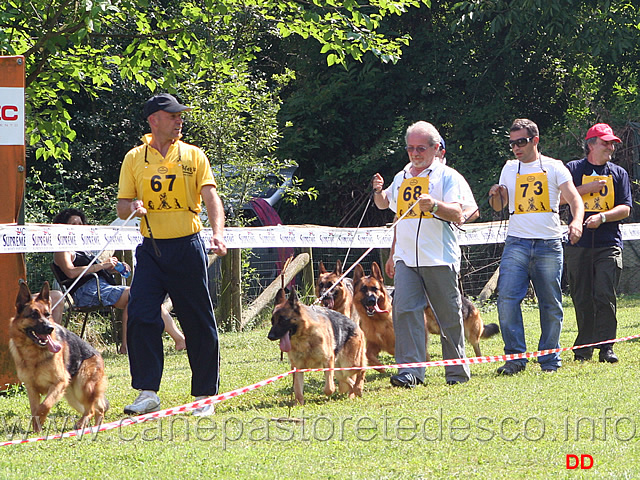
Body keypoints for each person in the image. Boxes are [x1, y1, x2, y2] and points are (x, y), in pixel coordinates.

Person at [117, 93, 227, 416]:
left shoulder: (194, 156)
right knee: (140, 314)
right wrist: (132, 207)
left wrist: (218, 234)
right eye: (173, 115)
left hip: (188, 246)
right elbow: (122, 205)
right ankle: (147, 391)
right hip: (151, 249)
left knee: (198, 320)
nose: (180, 120)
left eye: (180, 115)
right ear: (154, 120)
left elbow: (211, 198)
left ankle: (205, 395)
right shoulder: (134, 158)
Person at [372, 121, 476, 387]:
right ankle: (410, 373)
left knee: (448, 316)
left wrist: (435, 205)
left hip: (439, 257)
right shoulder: (402, 176)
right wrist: (377, 192)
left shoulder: (448, 176)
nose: (415, 154)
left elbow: (459, 214)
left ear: (436, 148)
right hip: (407, 258)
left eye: (421, 148)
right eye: (410, 149)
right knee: (405, 312)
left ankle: (456, 372)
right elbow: (388, 206)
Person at [488, 118, 584, 375]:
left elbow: (574, 198)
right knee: (507, 299)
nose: (516, 147)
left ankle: (549, 359)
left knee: (550, 303)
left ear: (535, 140)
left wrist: (577, 222)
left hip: (549, 243)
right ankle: (515, 358)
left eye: (521, 142)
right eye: (512, 143)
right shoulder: (509, 168)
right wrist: (494, 195)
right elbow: (499, 207)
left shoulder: (555, 167)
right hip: (516, 242)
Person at [52, 208, 186, 354]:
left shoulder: (84, 249)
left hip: (101, 286)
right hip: (86, 292)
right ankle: (167, 341)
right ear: (63, 227)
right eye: (73, 224)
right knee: (136, 294)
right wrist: (101, 265)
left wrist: (112, 268)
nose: (78, 227)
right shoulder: (63, 248)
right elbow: (71, 272)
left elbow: (93, 269)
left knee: (142, 297)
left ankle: (138, 345)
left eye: (80, 223)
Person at [563, 124, 632, 363]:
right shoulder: (572, 169)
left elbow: (625, 208)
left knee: (605, 294)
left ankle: (607, 347)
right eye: (606, 142)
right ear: (591, 144)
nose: (611, 147)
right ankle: (584, 348)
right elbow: (559, 198)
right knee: (581, 297)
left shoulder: (618, 173)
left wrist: (602, 217)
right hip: (578, 245)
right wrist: (587, 189)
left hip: (608, 243)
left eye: (613, 143)